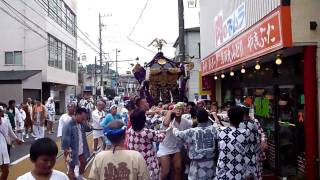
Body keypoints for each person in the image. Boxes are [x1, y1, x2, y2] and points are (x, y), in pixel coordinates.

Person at [172, 108, 218, 179]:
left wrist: (173, 127)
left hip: (196, 164)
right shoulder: (213, 129)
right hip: (210, 163)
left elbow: (178, 134)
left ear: (196, 118)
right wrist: (215, 117)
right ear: (207, 118)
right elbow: (217, 124)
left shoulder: (192, 131)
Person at [127, 109, 166, 180]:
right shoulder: (147, 133)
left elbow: (152, 132)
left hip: (134, 160)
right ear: (143, 120)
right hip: (147, 162)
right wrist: (164, 132)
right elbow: (159, 138)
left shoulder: (130, 130)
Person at [158, 102, 193, 180]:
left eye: (180, 109)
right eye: (176, 109)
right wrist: (170, 111)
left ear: (183, 111)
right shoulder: (169, 119)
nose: (178, 111)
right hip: (165, 148)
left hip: (176, 148)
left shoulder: (185, 121)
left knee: (178, 169)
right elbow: (166, 123)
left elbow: (190, 129)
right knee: (165, 172)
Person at [216, 106, 250, 179]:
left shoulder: (220, 131)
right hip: (239, 170)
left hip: (222, 170)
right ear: (241, 118)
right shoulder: (246, 133)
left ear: (228, 117)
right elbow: (247, 152)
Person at [62, 108, 92, 180]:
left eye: (85, 118)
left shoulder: (82, 123)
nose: (83, 119)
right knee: (71, 168)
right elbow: (65, 139)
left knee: (84, 162)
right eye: (82, 117)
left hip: (81, 149)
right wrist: (66, 152)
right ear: (77, 114)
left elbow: (90, 129)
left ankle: (80, 177)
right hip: (72, 151)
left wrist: (85, 121)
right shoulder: (68, 124)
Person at [239, 105, 267, 180]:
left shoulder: (255, 121)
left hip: (256, 152)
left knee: (257, 174)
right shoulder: (238, 123)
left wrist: (263, 141)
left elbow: (262, 133)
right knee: (245, 175)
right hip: (244, 153)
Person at [0, 106, 23, 180]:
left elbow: (10, 131)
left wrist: (17, 139)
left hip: (3, 148)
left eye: (1, 111)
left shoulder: (5, 120)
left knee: (6, 171)